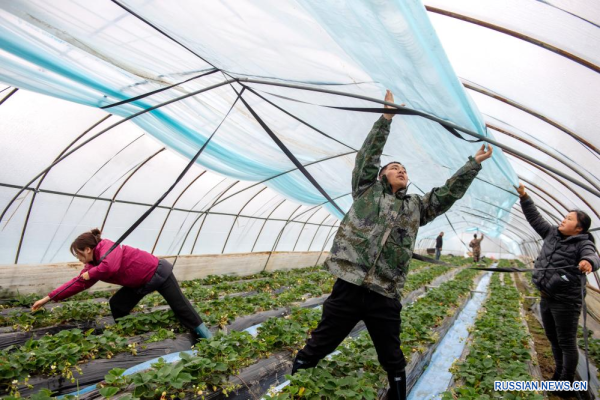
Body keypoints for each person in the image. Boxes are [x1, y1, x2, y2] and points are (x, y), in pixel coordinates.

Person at [291, 90, 493, 400]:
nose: (401, 170)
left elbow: (446, 195)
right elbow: (367, 156)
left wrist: (473, 164)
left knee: (392, 356)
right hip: (350, 284)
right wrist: (386, 117)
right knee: (320, 344)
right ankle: (294, 390)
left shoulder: (415, 206)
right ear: (382, 174)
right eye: (394, 167)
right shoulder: (366, 191)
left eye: (405, 170)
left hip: (385, 292)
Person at [32, 229, 212, 340]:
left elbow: (110, 265)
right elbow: (78, 283)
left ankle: (209, 338)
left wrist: (90, 273)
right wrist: (48, 298)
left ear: (87, 249)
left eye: (78, 255)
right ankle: (129, 333)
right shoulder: (93, 265)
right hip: (139, 283)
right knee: (117, 304)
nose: (79, 259)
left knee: (181, 307)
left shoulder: (108, 246)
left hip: (158, 273)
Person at [517, 183, 598, 395]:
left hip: (566, 300)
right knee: (553, 339)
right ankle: (558, 377)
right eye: (565, 216)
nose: (564, 219)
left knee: (567, 342)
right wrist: (525, 197)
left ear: (579, 228)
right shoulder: (552, 234)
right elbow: (535, 219)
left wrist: (588, 262)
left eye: (569, 219)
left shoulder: (583, 243)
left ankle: (566, 384)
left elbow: (592, 255)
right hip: (547, 295)